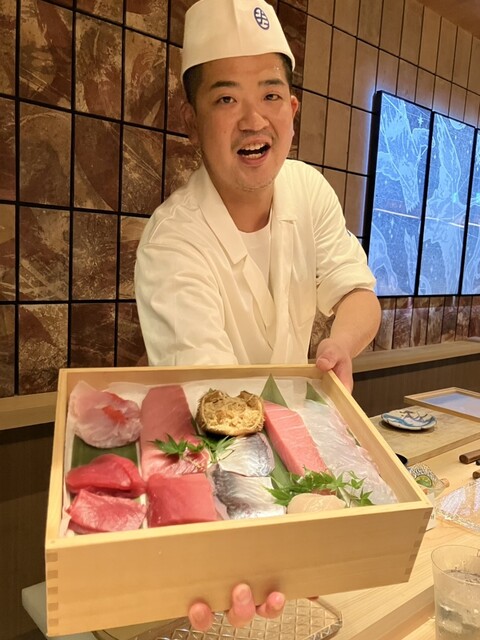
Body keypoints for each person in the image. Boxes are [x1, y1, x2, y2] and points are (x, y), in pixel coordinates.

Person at [135, 0, 381, 631]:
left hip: (299, 474)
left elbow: (358, 295)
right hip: (224, 479)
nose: (254, 119)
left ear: (291, 110)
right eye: (226, 98)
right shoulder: (173, 242)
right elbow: (214, 412)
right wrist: (271, 534)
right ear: (191, 118)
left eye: (270, 94)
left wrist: (341, 345)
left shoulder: (308, 190)